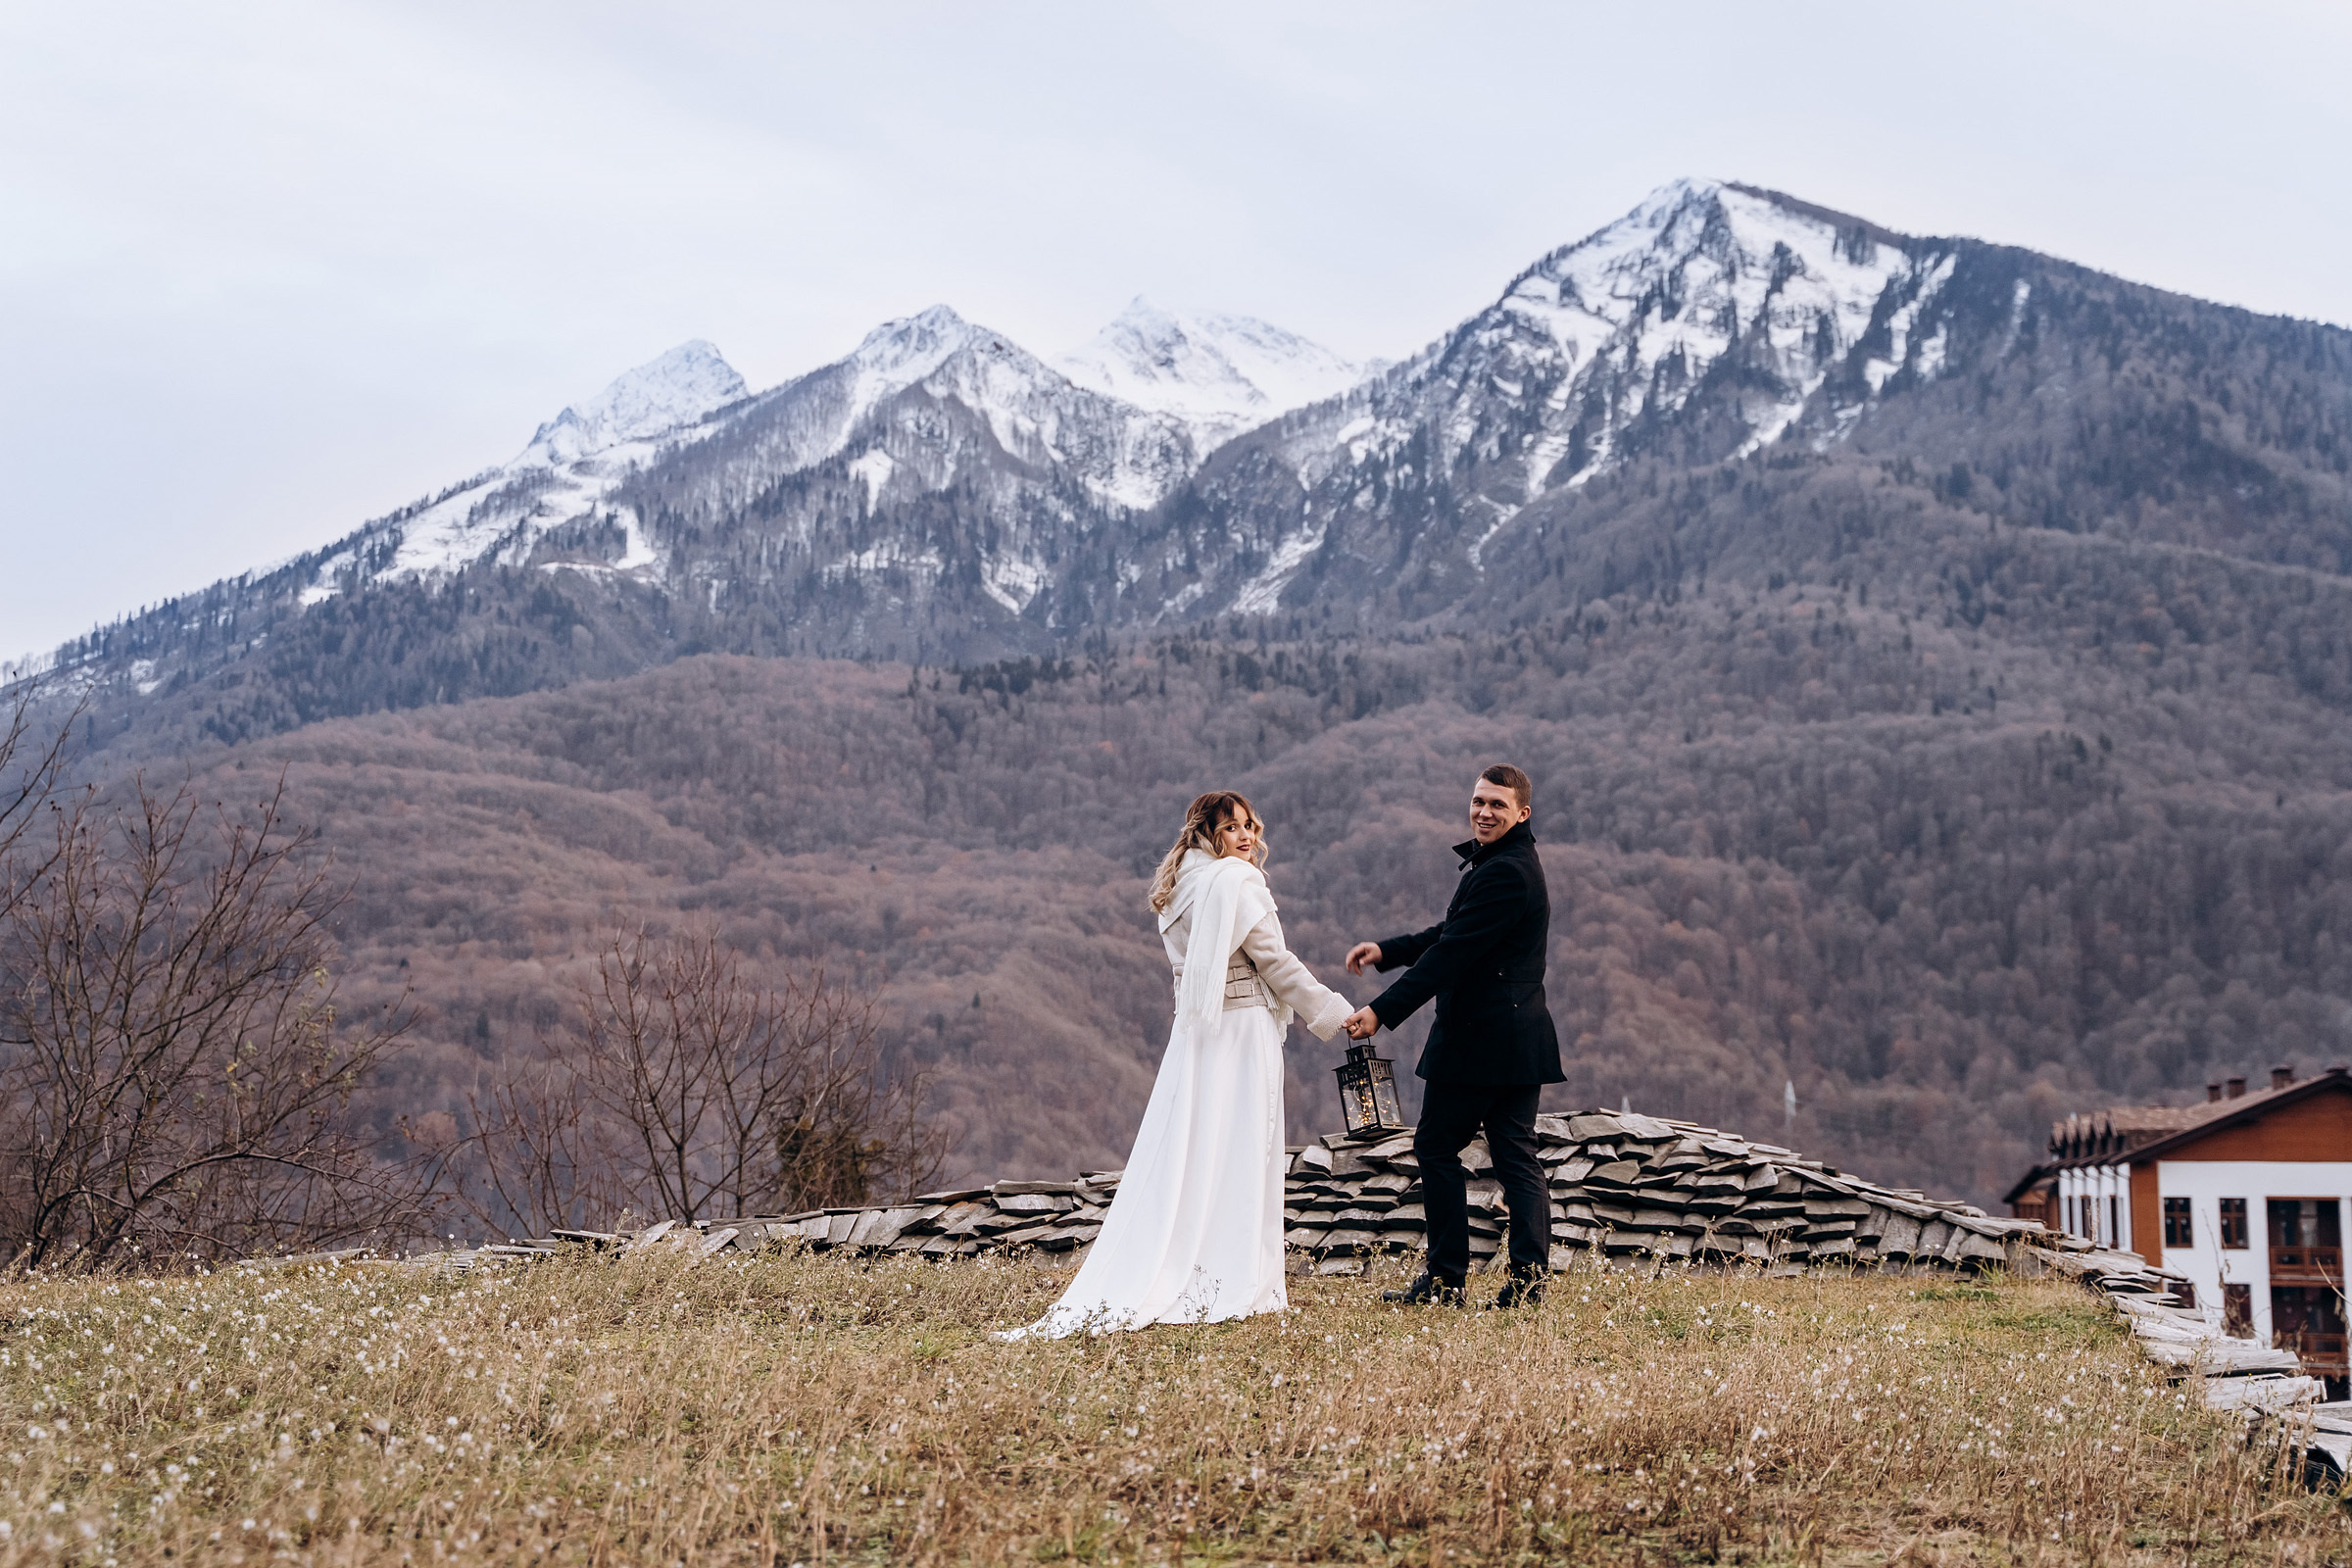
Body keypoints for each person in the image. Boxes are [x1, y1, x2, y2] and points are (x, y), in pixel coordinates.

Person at [996, 791, 1351, 1339]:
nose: (1246, 837)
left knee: (1196, 1147)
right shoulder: (1235, 883)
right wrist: (1333, 1012)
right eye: (1232, 828)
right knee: (1241, 1147)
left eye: (1249, 826)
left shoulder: (1180, 886)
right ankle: (1233, 1275)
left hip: (1195, 1033)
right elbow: (1276, 963)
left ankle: (1196, 1261)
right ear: (1208, 833)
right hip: (1241, 1028)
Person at [1342, 763, 1560, 1308]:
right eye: (1478, 801)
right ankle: (1526, 1286)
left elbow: (1452, 953)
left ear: (1523, 814)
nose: (1484, 812)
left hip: (1479, 1042)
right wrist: (1389, 951)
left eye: (1497, 805)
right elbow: (1454, 933)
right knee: (1516, 1157)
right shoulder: (1506, 863)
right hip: (1519, 1037)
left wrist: (1381, 1010)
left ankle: (1445, 1282)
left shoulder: (1505, 872)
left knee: (1437, 1147)